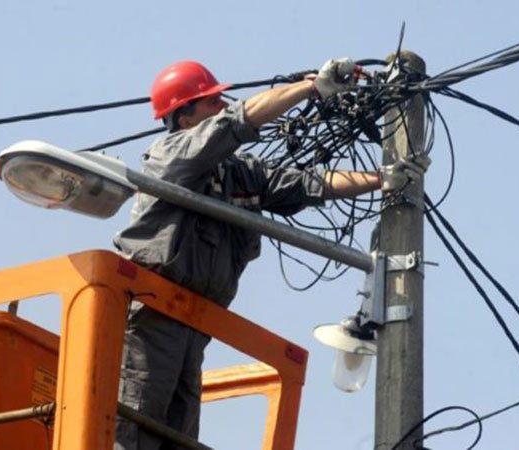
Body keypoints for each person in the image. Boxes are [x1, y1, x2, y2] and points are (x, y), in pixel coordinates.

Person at [112, 58, 426, 449]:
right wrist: (312, 87)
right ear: (184, 115)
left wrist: (384, 179)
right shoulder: (169, 155)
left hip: (195, 320)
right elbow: (238, 122)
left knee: (178, 435)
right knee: (135, 421)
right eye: (210, 101)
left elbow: (308, 184)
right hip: (151, 314)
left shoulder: (241, 173)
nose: (222, 105)